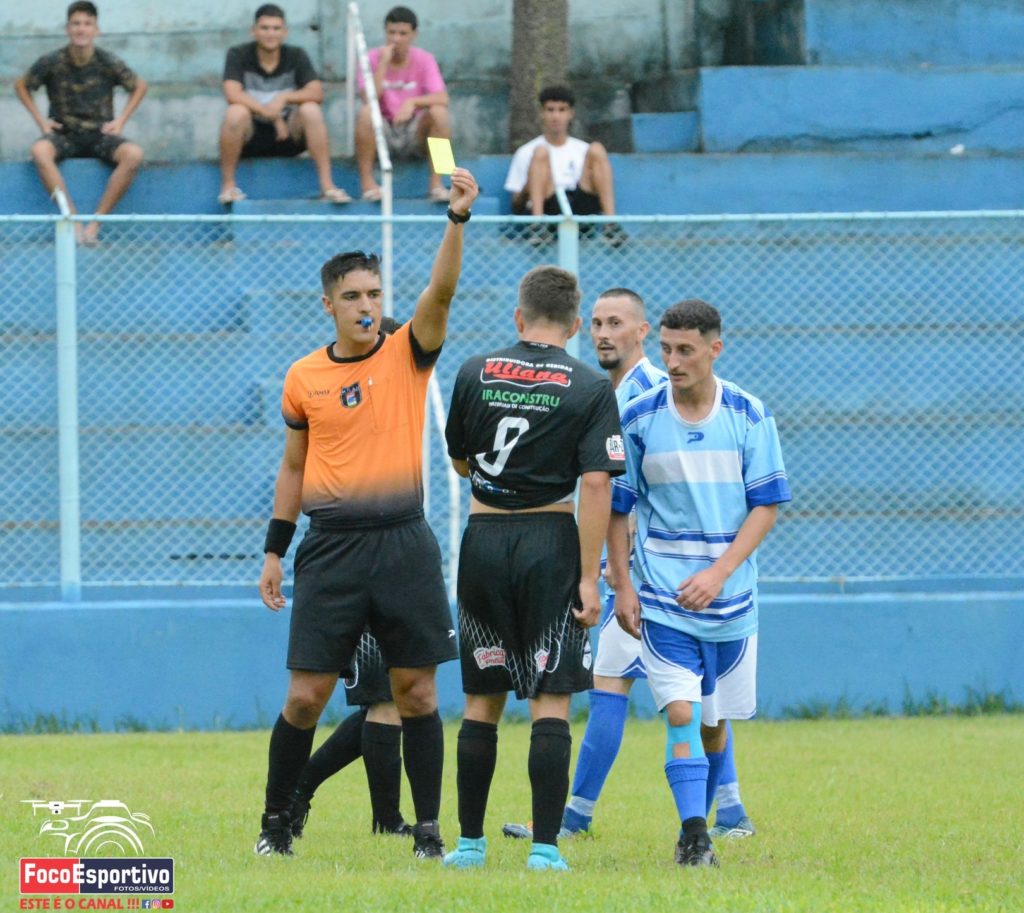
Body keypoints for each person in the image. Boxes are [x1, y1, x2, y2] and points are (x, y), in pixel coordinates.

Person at [254, 167, 479, 860]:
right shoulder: (304, 377)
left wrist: (457, 219)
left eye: (375, 294)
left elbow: (441, 291)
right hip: (331, 548)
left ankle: (428, 832)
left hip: (403, 543)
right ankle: (276, 823)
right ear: (328, 304)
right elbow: (294, 468)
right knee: (305, 696)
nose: (366, 305)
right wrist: (274, 549)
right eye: (352, 296)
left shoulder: (408, 352)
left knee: (416, 692)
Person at [503, 289, 758, 841]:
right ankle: (724, 809)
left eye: (615, 323)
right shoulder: (619, 391)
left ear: (641, 332)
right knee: (668, 695)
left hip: (653, 578)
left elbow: (643, 492)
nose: (603, 333)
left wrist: (618, 571)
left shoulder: (649, 394)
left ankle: (578, 817)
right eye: (596, 323)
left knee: (654, 693)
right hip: (638, 574)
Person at [441, 266, 626, 873]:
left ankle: (470, 845)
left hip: (483, 539)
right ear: (574, 326)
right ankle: (545, 848)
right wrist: (589, 576)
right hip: (550, 539)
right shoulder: (589, 386)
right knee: (551, 697)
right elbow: (596, 484)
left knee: (482, 697)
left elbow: (462, 462)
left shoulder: (474, 370)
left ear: (518, 317)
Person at [608, 298, 790, 867]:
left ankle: (705, 821)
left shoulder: (749, 415)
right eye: (666, 349)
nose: (673, 361)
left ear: (715, 349)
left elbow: (766, 506)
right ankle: (694, 835)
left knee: (714, 724)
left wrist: (718, 573)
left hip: (729, 600)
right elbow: (618, 506)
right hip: (662, 597)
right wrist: (623, 585)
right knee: (682, 713)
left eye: (685, 350)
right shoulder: (639, 416)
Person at [287, 318, 412, 842]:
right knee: (383, 700)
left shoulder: (394, 409)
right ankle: (380, 818)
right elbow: (298, 469)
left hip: (395, 562)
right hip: (351, 563)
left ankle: (310, 790)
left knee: (393, 698)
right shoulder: (341, 399)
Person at [14, 1, 147, 247]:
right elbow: (21, 85)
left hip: (100, 135)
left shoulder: (107, 61)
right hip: (64, 134)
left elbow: (139, 86)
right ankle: (73, 221)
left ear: (96, 30)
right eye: (76, 24)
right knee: (40, 151)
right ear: (67, 28)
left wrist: (120, 121)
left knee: (133, 154)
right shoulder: (52, 61)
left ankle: (95, 224)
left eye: (87, 24)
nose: (81, 29)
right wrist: (41, 121)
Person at [218, 3, 351, 205]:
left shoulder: (296, 55)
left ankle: (327, 186)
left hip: (288, 135)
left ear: (285, 32)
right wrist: (270, 113)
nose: (270, 34)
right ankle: (228, 187)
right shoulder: (238, 54)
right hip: (252, 135)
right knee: (235, 112)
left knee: (311, 110)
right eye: (264, 28)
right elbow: (232, 93)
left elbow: (316, 92)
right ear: (254, 31)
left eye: (276, 28)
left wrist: (284, 98)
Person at [290, 629, 412, 840]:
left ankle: (295, 791)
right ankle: (387, 822)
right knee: (384, 702)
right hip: (371, 617)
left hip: (400, 613)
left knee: (382, 707)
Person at [504, 85, 625, 247]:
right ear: (542, 113)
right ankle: (537, 227)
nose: (556, 116)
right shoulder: (526, 152)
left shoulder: (582, 149)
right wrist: (530, 184)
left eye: (562, 110)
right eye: (550, 110)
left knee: (597, 149)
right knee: (541, 152)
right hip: (548, 209)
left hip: (580, 211)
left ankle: (611, 226)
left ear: (570, 113)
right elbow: (516, 205)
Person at [355, 6, 451, 203]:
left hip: (414, 132)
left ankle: (437, 183)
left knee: (440, 114)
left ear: (414, 34)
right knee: (366, 112)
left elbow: (443, 98)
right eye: (391, 33)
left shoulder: (425, 59)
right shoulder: (370, 58)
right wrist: (383, 64)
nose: (396, 39)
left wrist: (413, 102)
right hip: (382, 131)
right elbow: (368, 98)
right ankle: (367, 184)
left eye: (402, 33)